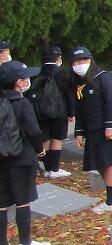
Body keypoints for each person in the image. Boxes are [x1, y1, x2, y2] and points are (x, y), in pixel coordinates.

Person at [68, 47, 112, 213]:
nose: (79, 64)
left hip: (106, 128)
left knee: (107, 162)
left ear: (91, 61)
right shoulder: (78, 83)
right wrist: (80, 132)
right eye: (76, 62)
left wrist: (110, 125)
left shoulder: (103, 78)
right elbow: (80, 108)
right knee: (100, 164)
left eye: (83, 61)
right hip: (92, 129)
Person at [1, 59, 51, 245]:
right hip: (21, 156)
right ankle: (25, 242)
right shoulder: (22, 103)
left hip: (1, 157)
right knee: (23, 200)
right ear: (18, 82)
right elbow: (33, 130)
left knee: (2, 201)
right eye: (25, 77)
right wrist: (39, 149)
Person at [28, 46, 71, 179]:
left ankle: (45, 169)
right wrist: (71, 112)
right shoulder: (64, 73)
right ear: (58, 58)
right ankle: (54, 169)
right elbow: (69, 94)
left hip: (40, 112)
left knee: (45, 139)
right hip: (59, 111)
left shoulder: (36, 73)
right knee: (57, 139)